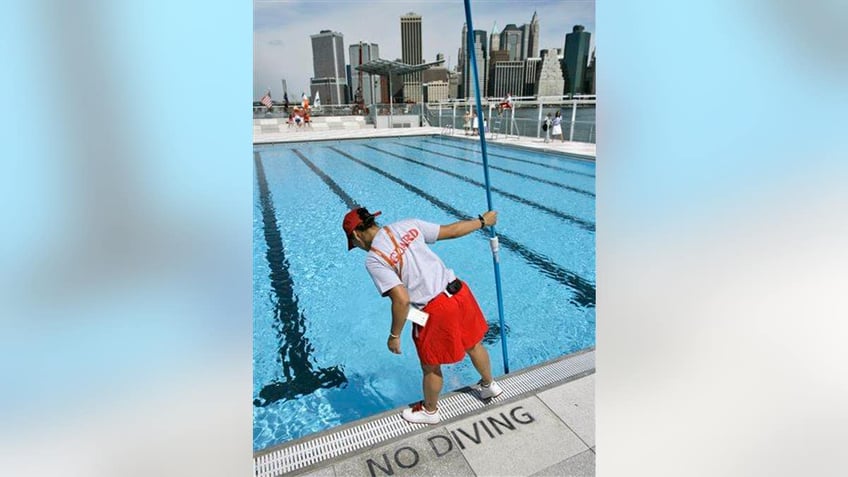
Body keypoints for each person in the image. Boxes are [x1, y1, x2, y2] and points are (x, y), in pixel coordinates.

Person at [343, 207, 504, 424]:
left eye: (355, 244)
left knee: (430, 364)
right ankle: (489, 385)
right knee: (474, 344)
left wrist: (394, 335)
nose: (360, 248)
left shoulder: (374, 259)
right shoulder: (408, 224)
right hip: (459, 292)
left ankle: (430, 411)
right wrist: (483, 221)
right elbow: (453, 230)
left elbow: (401, 300)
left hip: (436, 308)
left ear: (356, 235)